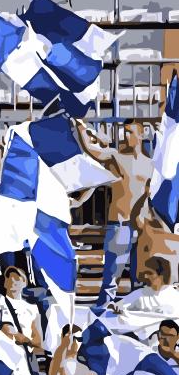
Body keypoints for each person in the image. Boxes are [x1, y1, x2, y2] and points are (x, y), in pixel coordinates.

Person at [75, 119, 154, 308]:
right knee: (111, 280)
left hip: (142, 228)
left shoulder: (151, 165)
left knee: (139, 280)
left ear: (141, 134)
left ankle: (134, 317)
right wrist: (79, 125)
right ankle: (101, 315)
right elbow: (90, 149)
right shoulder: (116, 157)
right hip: (120, 225)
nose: (125, 136)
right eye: (124, 132)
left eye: (130, 132)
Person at [0, 258, 44, 357]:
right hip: (5, 354)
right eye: (9, 277)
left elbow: (38, 339)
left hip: (25, 356)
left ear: (24, 283)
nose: (12, 280)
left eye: (17, 278)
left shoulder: (32, 308)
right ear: (5, 283)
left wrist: (29, 344)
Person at [110, 257, 179, 315]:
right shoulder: (140, 292)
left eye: (150, 273)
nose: (146, 276)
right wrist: (116, 307)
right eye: (145, 273)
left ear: (161, 276)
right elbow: (121, 304)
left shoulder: (173, 295)